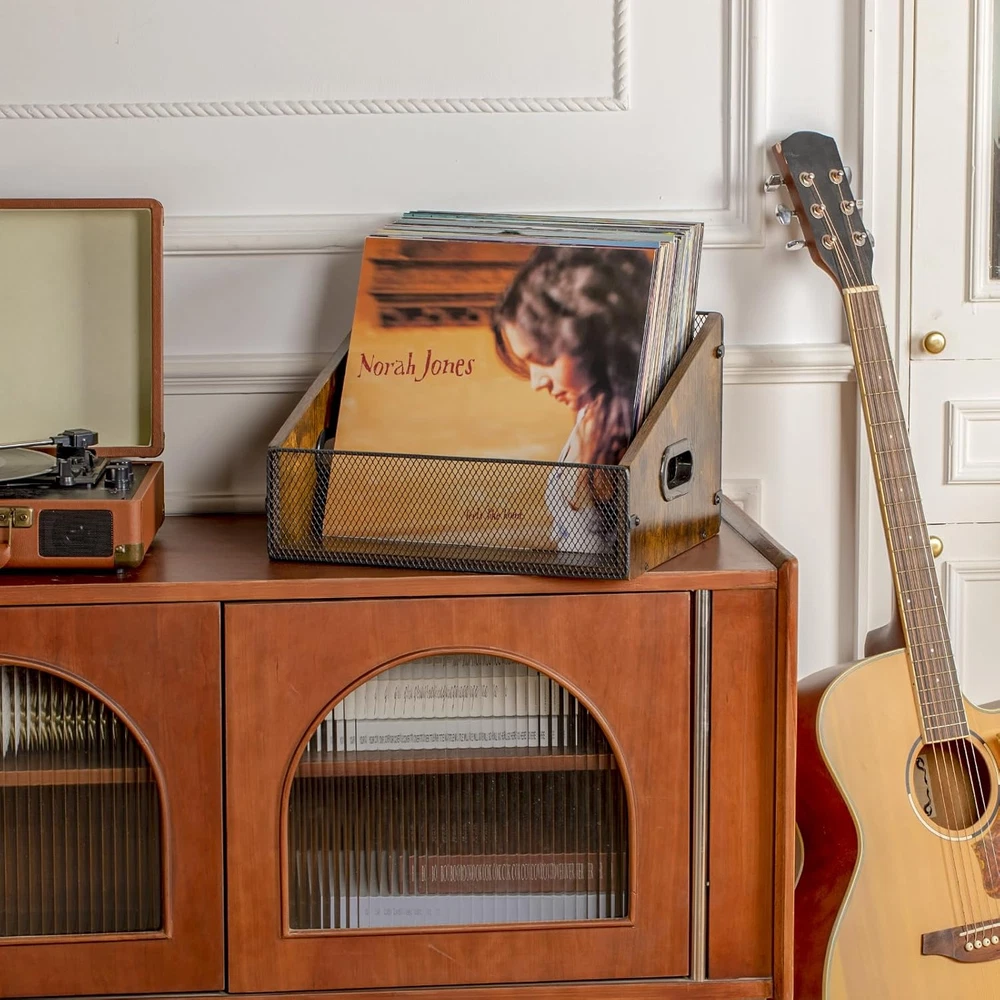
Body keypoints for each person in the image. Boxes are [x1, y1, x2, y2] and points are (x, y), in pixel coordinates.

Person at [491, 244, 654, 553]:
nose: (536, 383)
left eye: (542, 359)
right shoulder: (591, 411)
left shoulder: (635, 433)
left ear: (593, 340)